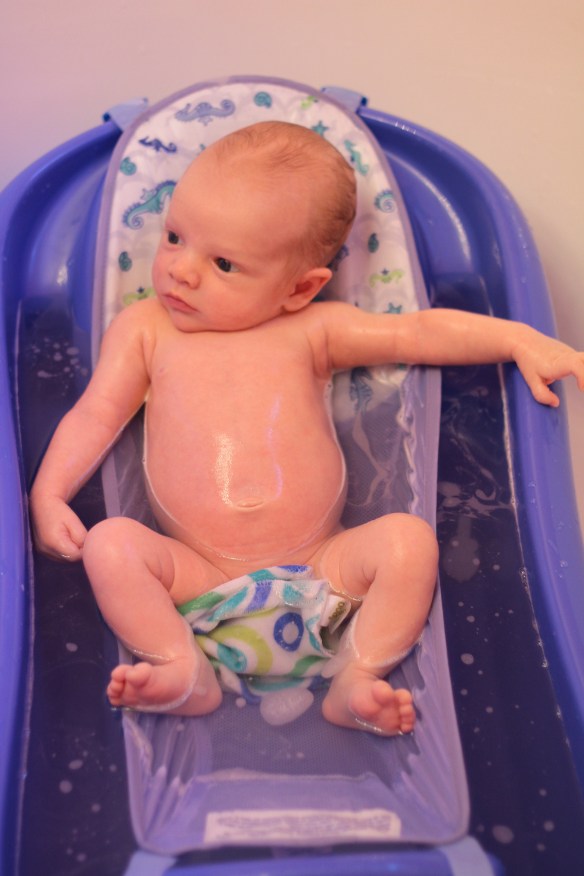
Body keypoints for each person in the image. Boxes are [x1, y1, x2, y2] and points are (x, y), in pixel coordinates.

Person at [30, 121, 584, 736]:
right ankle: (181, 666)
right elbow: (96, 413)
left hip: (323, 574)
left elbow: (416, 333)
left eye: (222, 262)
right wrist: (48, 493)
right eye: (174, 236)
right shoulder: (144, 329)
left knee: (407, 541)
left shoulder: (312, 330)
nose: (181, 271)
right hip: (197, 576)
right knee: (111, 545)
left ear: (299, 288)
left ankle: (357, 675)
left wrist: (518, 340)